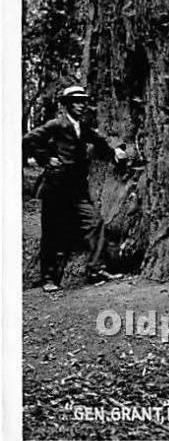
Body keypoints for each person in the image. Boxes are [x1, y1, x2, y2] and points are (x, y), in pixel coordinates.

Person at [23, 85, 128, 293]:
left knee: (95, 222)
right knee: (53, 233)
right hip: (55, 187)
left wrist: (114, 153)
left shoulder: (83, 127)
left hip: (77, 189)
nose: (81, 105)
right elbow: (28, 140)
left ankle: (95, 269)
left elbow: (99, 143)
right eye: (76, 102)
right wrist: (46, 159)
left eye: (83, 101)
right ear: (67, 105)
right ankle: (48, 278)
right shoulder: (56, 125)